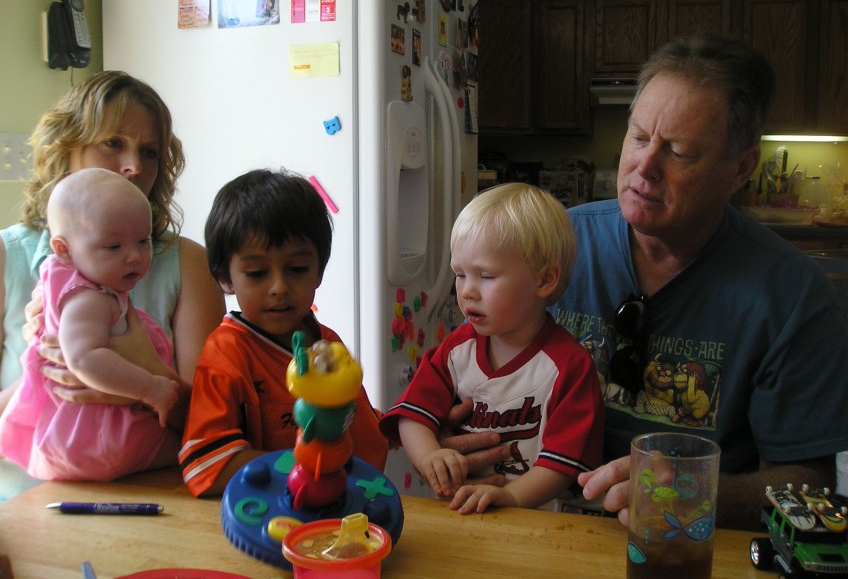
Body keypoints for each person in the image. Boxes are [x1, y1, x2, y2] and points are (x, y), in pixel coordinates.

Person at [549, 34, 848, 530]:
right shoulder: (553, 244)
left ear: (741, 168)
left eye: (680, 152)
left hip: (692, 544)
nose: (645, 167)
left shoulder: (792, 296)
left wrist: (693, 490)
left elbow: (808, 484)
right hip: (542, 526)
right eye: (639, 137)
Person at [0, 71, 225, 497]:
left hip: (154, 500)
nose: (134, 166)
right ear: (66, 147)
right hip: (23, 503)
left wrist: (146, 374)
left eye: (149, 152)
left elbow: (219, 426)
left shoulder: (188, 265)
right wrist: (42, 369)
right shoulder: (7, 257)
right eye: (113, 143)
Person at [380, 182, 605, 513]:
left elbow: (562, 465)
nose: (467, 291)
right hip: (459, 511)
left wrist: (511, 498)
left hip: (535, 521)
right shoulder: (456, 350)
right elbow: (412, 416)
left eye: (485, 276)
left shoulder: (569, 366)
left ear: (544, 280)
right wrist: (430, 455)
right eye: (460, 274)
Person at [179, 168, 388, 497]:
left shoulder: (328, 346)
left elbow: (366, 449)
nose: (279, 287)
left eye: (297, 269)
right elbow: (207, 468)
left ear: (318, 271)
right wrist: (307, 463)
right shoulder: (226, 351)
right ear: (226, 278)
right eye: (257, 272)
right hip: (254, 517)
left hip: (329, 511)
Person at [0, 168, 180, 480]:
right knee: (189, 450)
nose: (135, 256)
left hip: (76, 436)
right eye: (114, 246)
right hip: (95, 437)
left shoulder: (70, 279)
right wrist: (150, 387)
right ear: (64, 250)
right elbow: (84, 358)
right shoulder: (89, 297)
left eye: (143, 240)